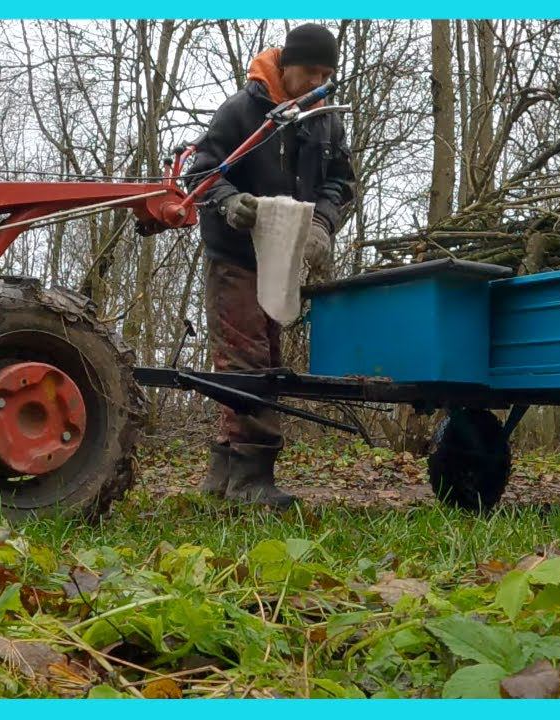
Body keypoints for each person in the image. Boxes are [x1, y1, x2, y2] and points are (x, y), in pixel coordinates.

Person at [186, 23, 356, 508]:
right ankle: (251, 479)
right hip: (236, 257)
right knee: (246, 363)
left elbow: (341, 183)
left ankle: (223, 473)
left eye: (326, 73)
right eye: (308, 71)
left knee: (265, 362)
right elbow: (202, 170)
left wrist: (323, 225)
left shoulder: (326, 121)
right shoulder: (243, 110)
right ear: (284, 65)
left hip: (282, 263)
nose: (315, 81)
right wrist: (228, 200)